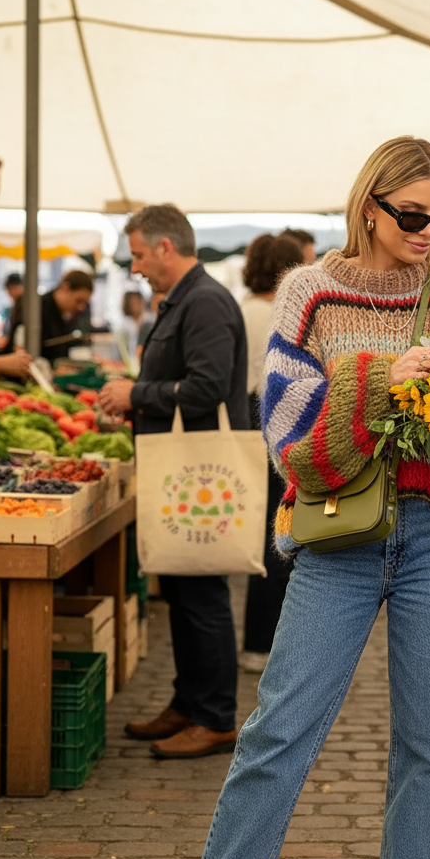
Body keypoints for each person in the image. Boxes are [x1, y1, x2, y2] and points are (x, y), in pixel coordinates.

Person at [158, 136, 430, 859]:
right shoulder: (310, 292)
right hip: (339, 535)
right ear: (369, 206)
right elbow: (286, 434)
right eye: (413, 214)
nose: (428, 231)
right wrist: (380, 378)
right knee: (279, 727)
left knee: (428, 738)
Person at [98, 204, 248, 760]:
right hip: (182, 470)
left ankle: (216, 718)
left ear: (166, 247)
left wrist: (135, 395)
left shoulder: (205, 302)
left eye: (139, 255)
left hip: (199, 473)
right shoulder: (185, 300)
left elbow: (207, 387)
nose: (135, 267)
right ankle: (189, 702)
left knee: (202, 593)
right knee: (184, 591)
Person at [238, 232, 305, 672]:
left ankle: (257, 642)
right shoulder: (274, 316)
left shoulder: (243, 308)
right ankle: (263, 644)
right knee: (275, 537)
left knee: (264, 533)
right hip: (269, 425)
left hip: (247, 423)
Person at [6, 269, 95, 360]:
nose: (81, 307)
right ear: (66, 288)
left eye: (84, 303)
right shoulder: (35, 309)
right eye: (79, 301)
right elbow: (21, 351)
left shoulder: (66, 315)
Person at [120, 289, 149, 360]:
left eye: (138, 301)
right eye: (132, 302)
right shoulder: (124, 325)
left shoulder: (149, 322)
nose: (135, 305)